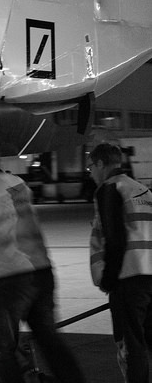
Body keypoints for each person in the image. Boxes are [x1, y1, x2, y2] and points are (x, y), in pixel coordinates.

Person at [0, 137, 86, 383]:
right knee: (49, 340)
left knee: (2, 348)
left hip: (9, 278)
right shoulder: (19, 183)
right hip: (42, 272)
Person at [89, 142, 152, 383]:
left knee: (132, 346)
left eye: (91, 167)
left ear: (100, 164)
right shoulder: (142, 190)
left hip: (129, 278)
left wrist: (108, 280)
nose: (91, 173)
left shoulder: (109, 189)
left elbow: (115, 239)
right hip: (150, 277)